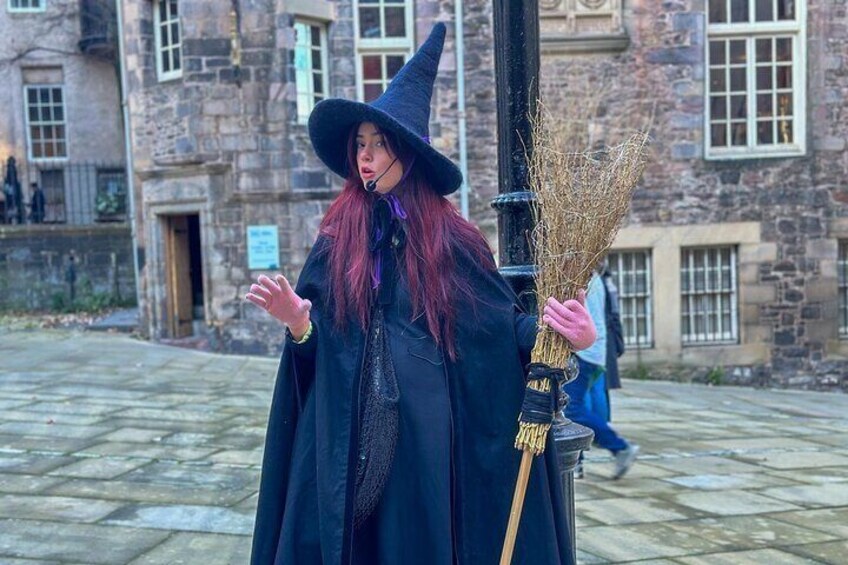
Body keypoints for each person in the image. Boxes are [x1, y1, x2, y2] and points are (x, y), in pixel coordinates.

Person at [245, 23, 597, 565]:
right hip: (351, 433)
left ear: (406, 152)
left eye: (378, 143)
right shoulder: (338, 237)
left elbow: (499, 327)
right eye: (359, 144)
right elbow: (317, 349)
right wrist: (297, 322)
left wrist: (564, 332)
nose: (364, 156)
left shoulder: (451, 239)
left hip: (428, 439)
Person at [566, 272, 638, 481]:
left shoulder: (582, 274)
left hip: (582, 352)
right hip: (592, 351)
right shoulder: (592, 275)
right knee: (574, 408)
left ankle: (619, 447)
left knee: (572, 409)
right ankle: (577, 462)